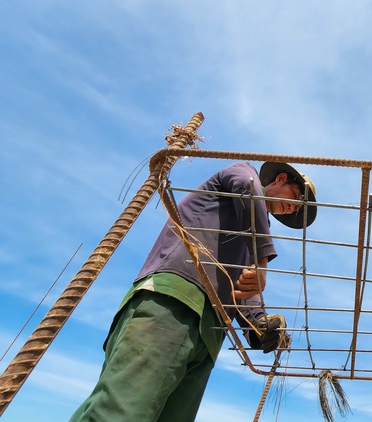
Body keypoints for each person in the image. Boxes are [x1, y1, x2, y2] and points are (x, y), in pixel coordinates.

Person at [71, 161, 317, 422]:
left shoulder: (253, 231)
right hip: (173, 303)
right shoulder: (242, 174)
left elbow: (245, 287)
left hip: (210, 336)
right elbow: (247, 188)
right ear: (280, 179)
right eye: (297, 199)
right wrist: (261, 256)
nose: (293, 208)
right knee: (123, 412)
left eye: (297, 210)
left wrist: (259, 324)